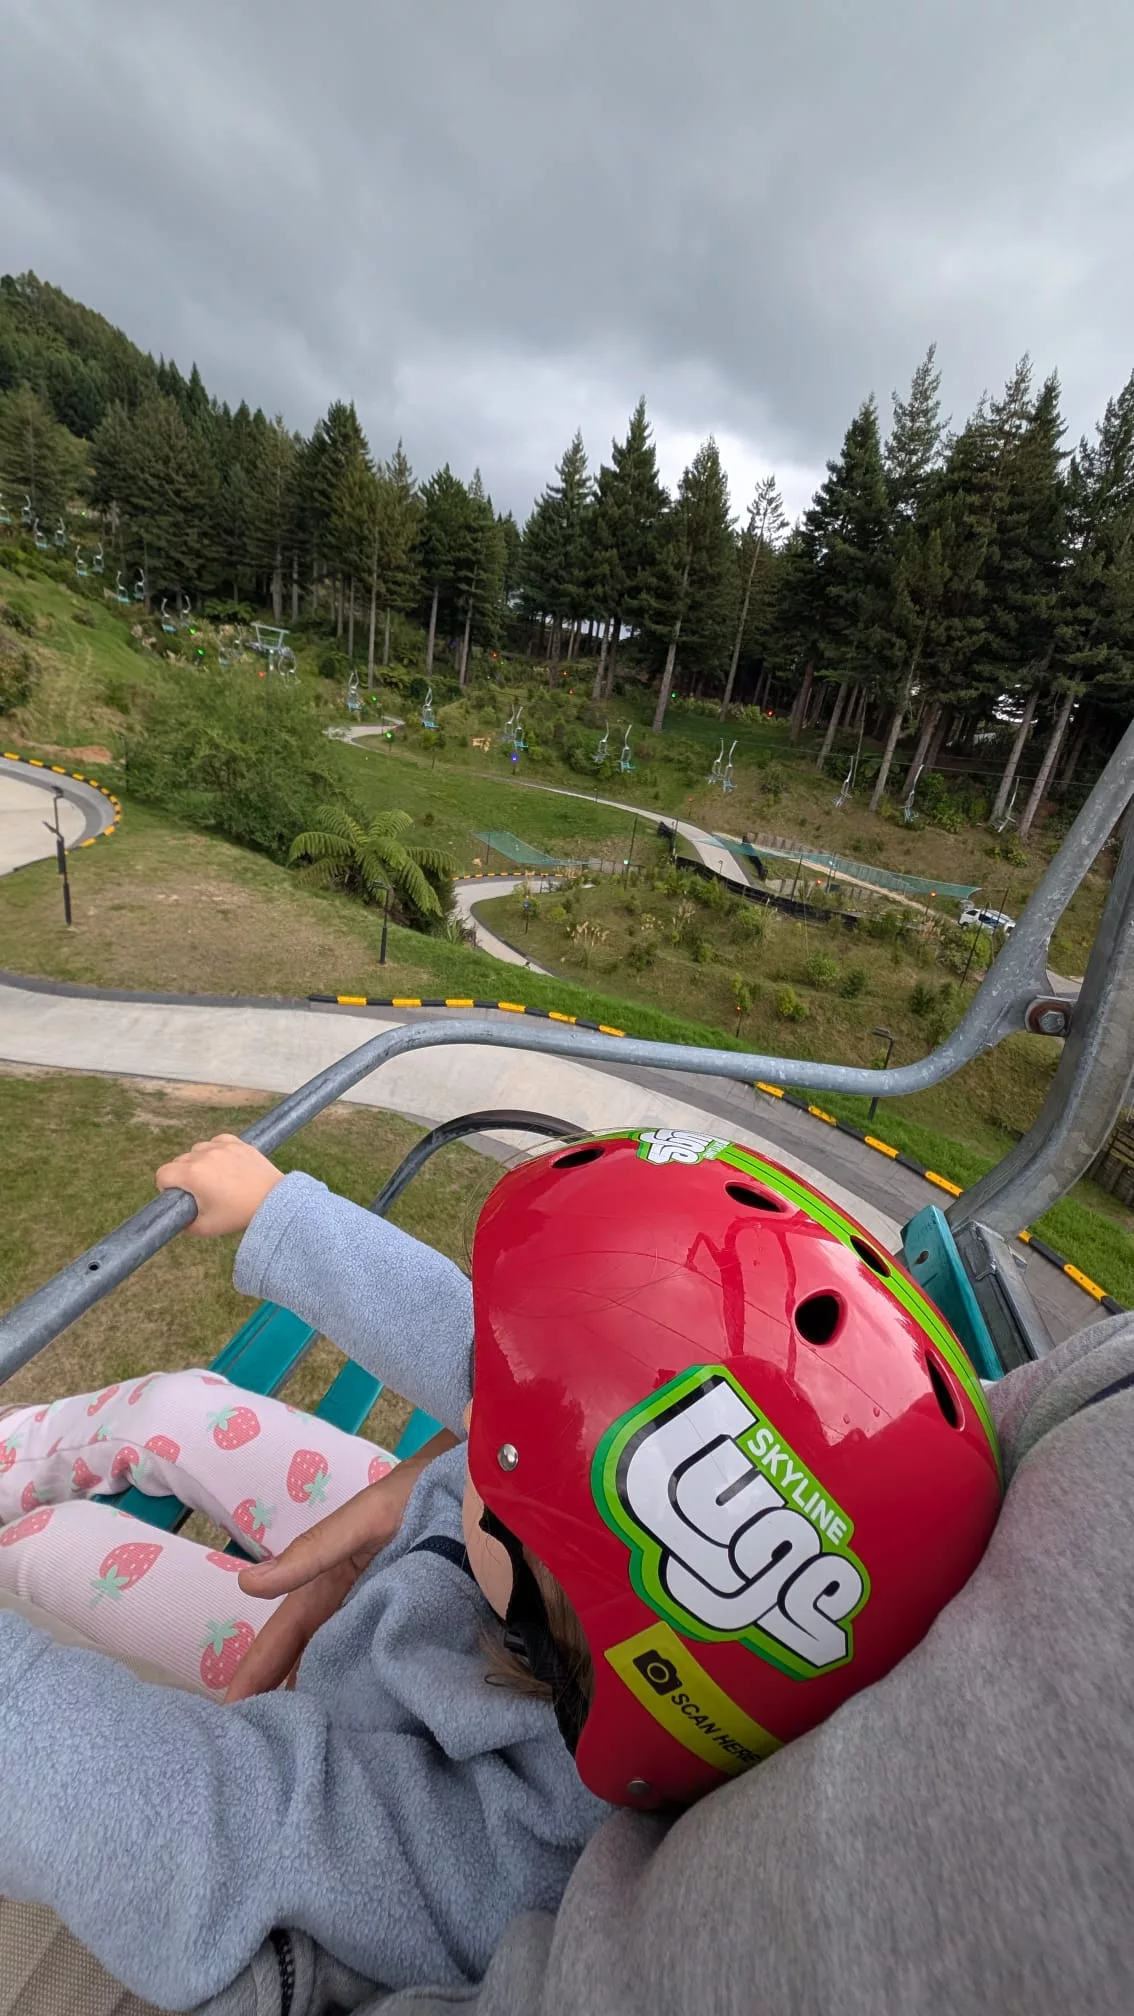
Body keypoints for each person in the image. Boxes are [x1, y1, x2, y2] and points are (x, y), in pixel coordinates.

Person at [0, 1125, 1002, 2010]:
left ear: (579, 1588)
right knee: (177, 1408)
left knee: (57, 1553)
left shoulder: (477, 1852)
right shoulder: (599, 1610)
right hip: (431, 1570)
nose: (471, 1421)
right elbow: (505, 1367)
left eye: (503, 1449)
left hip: (319, 1718)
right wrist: (284, 1216)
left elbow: (221, 1820)